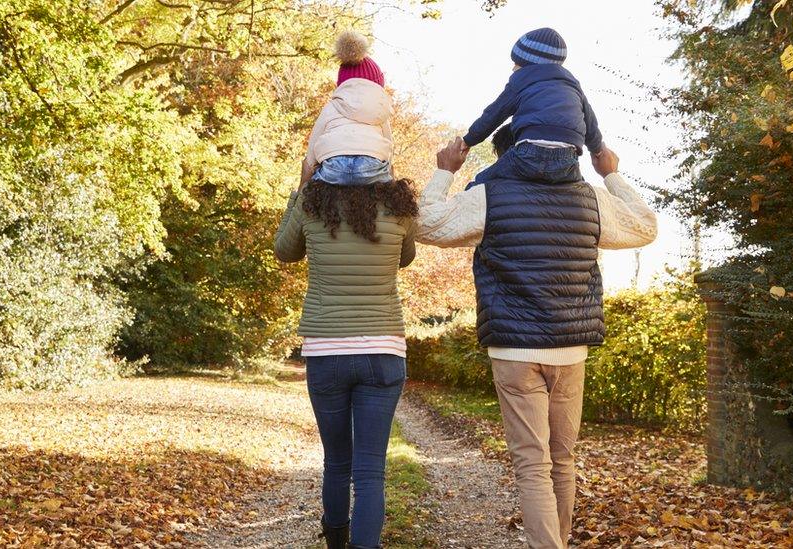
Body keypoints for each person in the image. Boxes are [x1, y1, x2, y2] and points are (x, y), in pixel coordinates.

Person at [417, 128, 657, 549]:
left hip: (514, 348)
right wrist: (611, 174)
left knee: (532, 463)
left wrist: (444, 171)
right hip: (570, 349)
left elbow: (427, 224)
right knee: (562, 460)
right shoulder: (590, 197)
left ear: (507, 156)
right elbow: (645, 227)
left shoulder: (490, 194)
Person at [274, 32, 415, 549]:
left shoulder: (313, 203)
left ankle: (334, 540)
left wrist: (299, 186)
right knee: (371, 470)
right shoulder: (398, 205)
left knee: (337, 460)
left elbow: (284, 251)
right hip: (383, 349)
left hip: (327, 351)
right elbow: (406, 257)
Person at [462, 28, 604, 186]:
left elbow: (494, 114)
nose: (513, 68)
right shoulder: (573, 84)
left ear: (528, 63)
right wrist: (597, 150)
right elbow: (591, 124)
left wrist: (468, 140)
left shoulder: (521, 79)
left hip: (529, 151)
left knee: (480, 183)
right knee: (579, 189)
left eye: (516, 63)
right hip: (568, 157)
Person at [301, 30, 394, 187]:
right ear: (377, 84)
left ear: (342, 83)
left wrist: (304, 181)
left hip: (335, 168)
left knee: (312, 190)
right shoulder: (380, 110)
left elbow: (313, 148)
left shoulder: (332, 106)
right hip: (371, 167)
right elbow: (389, 145)